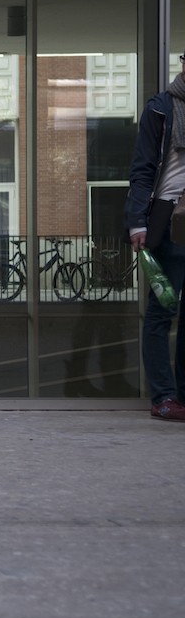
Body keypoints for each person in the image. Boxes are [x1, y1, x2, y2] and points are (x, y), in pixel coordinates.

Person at [127, 55, 185, 421]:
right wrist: (137, 222)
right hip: (171, 217)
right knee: (163, 309)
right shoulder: (162, 108)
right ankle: (164, 396)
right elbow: (143, 166)